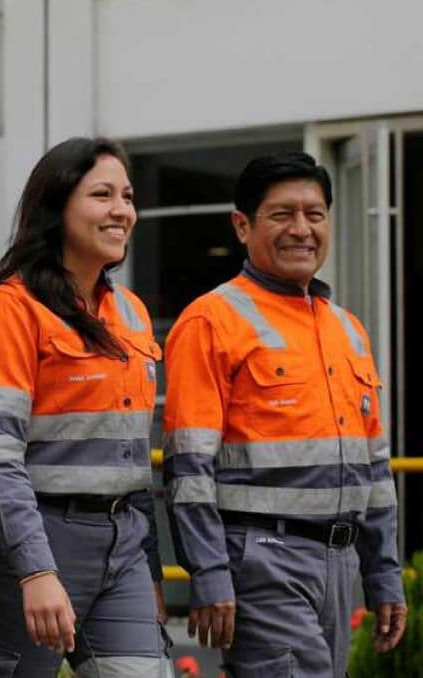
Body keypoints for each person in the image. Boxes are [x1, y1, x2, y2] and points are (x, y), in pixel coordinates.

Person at [163, 151, 406, 677]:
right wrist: (208, 571)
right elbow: (188, 467)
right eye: (282, 215)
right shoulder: (211, 320)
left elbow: (375, 472)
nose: (302, 229)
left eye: (315, 214)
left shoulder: (348, 330)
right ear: (243, 225)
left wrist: (384, 573)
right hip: (262, 559)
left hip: (339, 567)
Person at [0, 137, 171, 677]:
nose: (121, 210)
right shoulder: (14, 307)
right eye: (101, 195)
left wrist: (153, 573)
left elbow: (133, 461)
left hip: (123, 544)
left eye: (127, 196)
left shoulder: (133, 312)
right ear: (57, 205)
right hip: (35, 535)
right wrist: (35, 571)